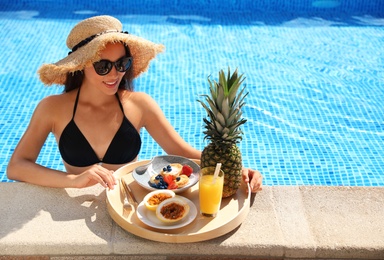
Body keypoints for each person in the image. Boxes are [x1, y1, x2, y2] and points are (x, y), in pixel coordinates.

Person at [7, 15, 262, 193]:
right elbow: (17, 166)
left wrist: (238, 169)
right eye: (103, 66)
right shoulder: (53, 108)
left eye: (122, 64)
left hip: (132, 206)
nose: (115, 74)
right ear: (81, 66)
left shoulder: (139, 105)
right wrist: (73, 180)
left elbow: (180, 150)